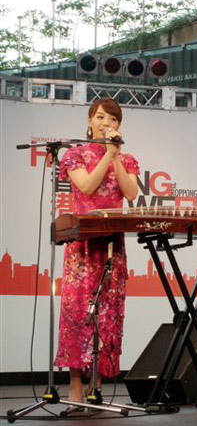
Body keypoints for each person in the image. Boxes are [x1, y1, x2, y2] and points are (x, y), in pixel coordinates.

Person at [55, 98, 139, 403]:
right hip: (82, 247)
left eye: (113, 119)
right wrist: (106, 156)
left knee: (107, 313)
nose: (107, 123)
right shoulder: (75, 155)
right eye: (101, 117)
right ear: (90, 122)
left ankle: (98, 382)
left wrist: (115, 157)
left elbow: (131, 193)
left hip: (112, 246)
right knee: (78, 312)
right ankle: (75, 381)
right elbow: (88, 186)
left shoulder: (127, 159)